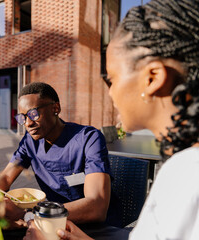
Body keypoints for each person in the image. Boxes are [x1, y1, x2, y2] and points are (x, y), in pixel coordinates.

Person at [24, 0, 199, 239]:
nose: (110, 93)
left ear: (153, 77)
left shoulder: (186, 173)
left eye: (113, 79)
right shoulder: (181, 167)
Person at [0, 82, 114, 226]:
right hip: (49, 220)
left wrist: (30, 215)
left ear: (55, 108)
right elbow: (6, 177)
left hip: (90, 225)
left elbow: (97, 207)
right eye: (22, 118)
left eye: (33, 114)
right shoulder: (30, 142)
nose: (28, 123)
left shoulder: (89, 138)